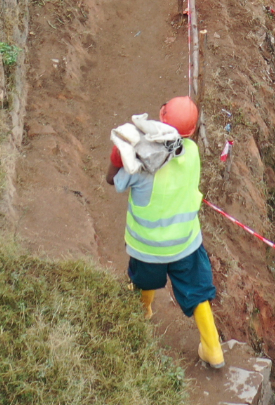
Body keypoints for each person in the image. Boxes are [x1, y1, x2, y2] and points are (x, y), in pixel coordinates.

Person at [110, 96, 224, 368]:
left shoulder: (141, 167)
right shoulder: (193, 152)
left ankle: (143, 314)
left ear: (160, 118)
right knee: (198, 293)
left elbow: (112, 180)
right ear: (193, 131)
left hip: (147, 248)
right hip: (185, 244)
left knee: (143, 282)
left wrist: (119, 155)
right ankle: (213, 351)